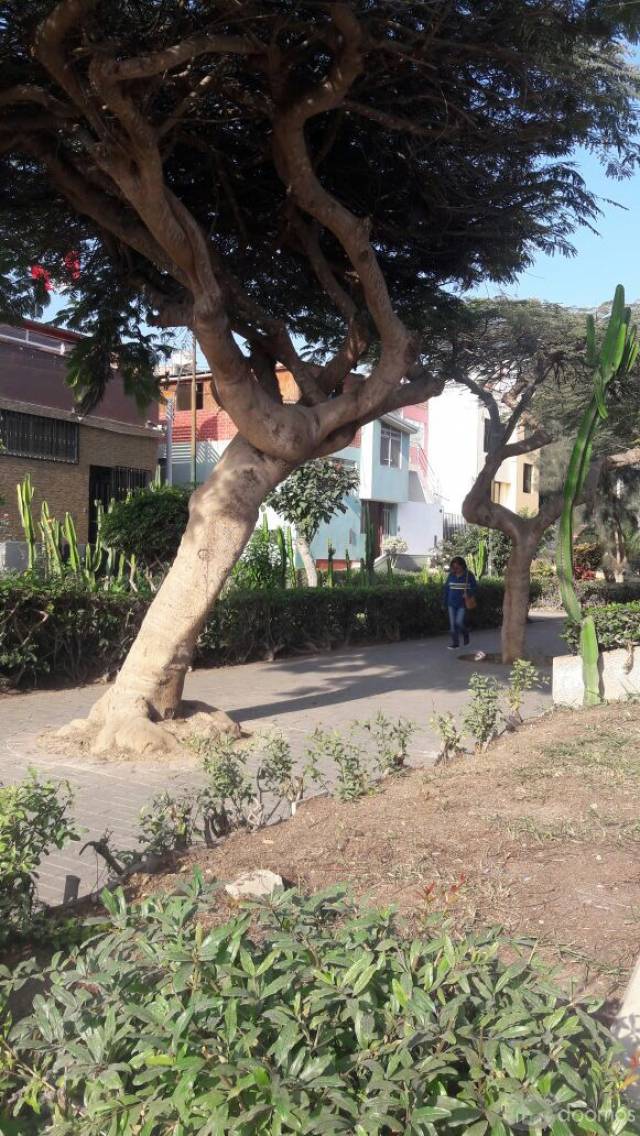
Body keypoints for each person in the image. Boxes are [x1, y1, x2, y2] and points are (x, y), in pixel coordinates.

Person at [442, 556, 477, 650]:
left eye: (457, 567)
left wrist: (468, 594)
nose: (455, 569)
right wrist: (444, 602)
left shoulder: (468, 575)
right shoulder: (451, 575)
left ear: (462, 566)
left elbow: (475, 588)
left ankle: (466, 634)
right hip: (451, 604)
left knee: (459, 622)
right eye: (453, 567)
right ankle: (455, 643)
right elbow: (446, 589)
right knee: (452, 625)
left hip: (462, 604)